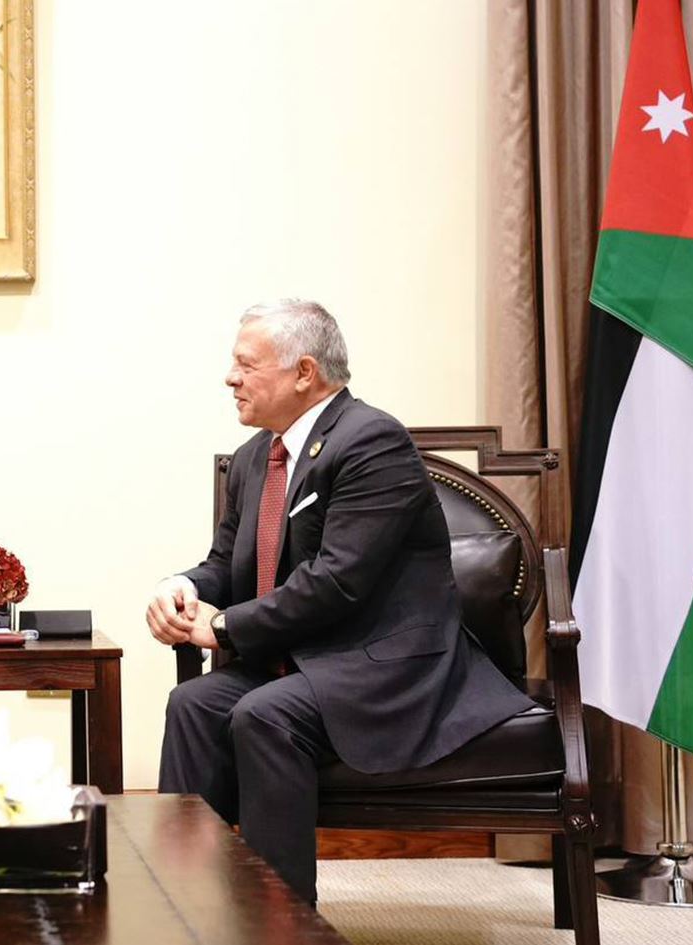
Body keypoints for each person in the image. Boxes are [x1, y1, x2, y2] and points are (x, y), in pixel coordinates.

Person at [147, 298, 531, 905]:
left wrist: (221, 629)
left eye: (246, 364)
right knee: (192, 704)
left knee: (265, 714)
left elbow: (338, 580)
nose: (230, 378)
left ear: (304, 372)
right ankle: (186, 905)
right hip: (303, 660)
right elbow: (225, 563)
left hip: (381, 666)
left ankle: (280, 920)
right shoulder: (254, 457)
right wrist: (183, 587)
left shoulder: (372, 441)